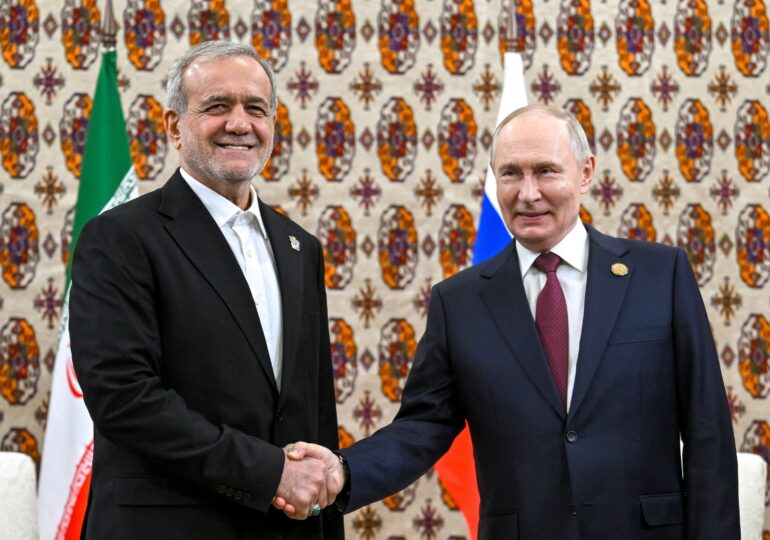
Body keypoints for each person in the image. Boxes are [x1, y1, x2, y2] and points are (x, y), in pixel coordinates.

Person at [283, 105, 740, 539]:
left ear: (585, 173)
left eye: (546, 171)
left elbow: (708, 434)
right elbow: (422, 427)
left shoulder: (660, 276)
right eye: (510, 174)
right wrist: (343, 471)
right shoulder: (459, 303)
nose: (528, 193)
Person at [70, 40, 343, 539]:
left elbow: (316, 414)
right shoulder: (119, 238)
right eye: (218, 106)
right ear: (174, 126)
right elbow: (124, 398)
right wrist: (270, 473)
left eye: (256, 109)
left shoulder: (300, 248)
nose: (240, 123)